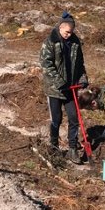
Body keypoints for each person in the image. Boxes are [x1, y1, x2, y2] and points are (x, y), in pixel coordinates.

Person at [39, 12, 88, 163]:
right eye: (67, 32)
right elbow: (46, 65)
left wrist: (83, 79)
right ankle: (54, 147)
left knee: (74, 118)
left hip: (71, 88)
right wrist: (60, 82)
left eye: (71, 32)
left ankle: (73, 149)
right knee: (56, 119)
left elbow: (80, 63)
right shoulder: (50, 42)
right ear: (60, 28)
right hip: (55, 89)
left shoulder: (75, 42)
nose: (69, 35)